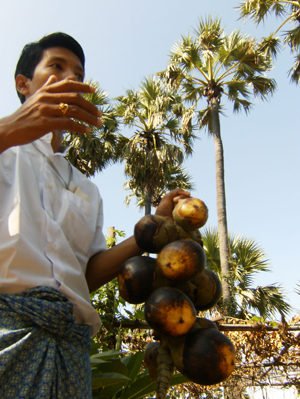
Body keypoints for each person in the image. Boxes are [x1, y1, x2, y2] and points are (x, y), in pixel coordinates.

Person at [0, 32, 190, 399]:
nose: (72, 77)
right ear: (24, 83)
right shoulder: (6, 150)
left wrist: (152, 229)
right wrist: (11, 128)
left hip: (69, 348)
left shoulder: (87, 190)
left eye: (79, 71)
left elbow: (84, 276)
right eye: (56, 66)